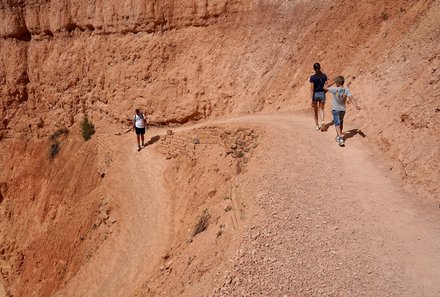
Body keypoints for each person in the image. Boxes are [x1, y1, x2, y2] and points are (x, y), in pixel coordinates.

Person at [324, 76, 361, 146]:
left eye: (336, 83)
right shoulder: (346, 90)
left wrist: (332, 82)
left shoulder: (335, 89)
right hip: (342, 110)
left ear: (337, 83)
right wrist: (356, 106)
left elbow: (324, 87)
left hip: (335, 110)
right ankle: (339, 135)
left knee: (337, 124)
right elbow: (351, 98)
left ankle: (340, 138)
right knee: (340, 122)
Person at [309, 63, 328, 131]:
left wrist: (311, 99)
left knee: (315, 110)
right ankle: (322, 121)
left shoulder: (313, 77)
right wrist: (323, 92)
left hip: (315, 94)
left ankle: (317, 125)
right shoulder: (324, 76)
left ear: (314, 69)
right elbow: (326, 87)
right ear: (320, 68)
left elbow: (312, 89)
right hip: (322, 93)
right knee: (321, 109)